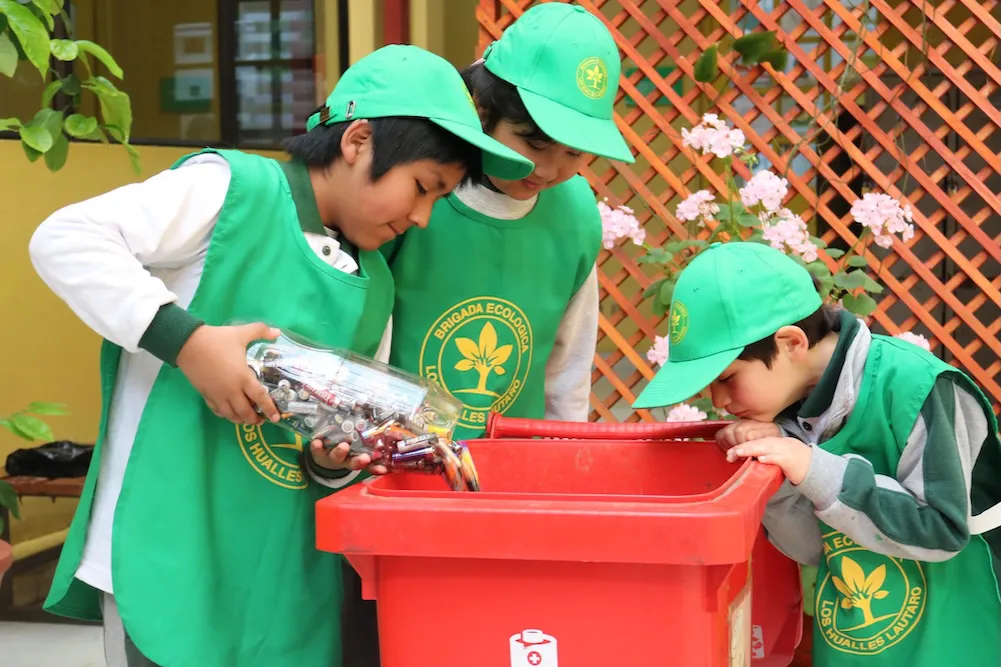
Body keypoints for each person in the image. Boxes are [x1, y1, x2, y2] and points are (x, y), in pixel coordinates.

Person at [28, 44, 533, 667]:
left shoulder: (374, 282)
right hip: (170, 547)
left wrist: (333, 461)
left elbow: (330, 451)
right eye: (422, 188)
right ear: (357, 141)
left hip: (279, 574)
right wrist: (185, 341)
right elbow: (66, 239)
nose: (424, 217)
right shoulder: (231, 191)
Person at [633, 241, 1001, 666]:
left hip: (957, 630)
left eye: (728, 378)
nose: (719, 400)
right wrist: (778, 477)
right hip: (858, 641)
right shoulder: (788, 408)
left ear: (791, 343)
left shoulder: (917, 386)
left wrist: (813, 466)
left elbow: (942, 529)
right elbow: (816, 549)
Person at [384, 3, 635, 440]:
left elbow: (567, 368)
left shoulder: (574, 214)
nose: (550, 170)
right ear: (482, 111)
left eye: (574, 153)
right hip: (401, 459)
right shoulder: (419, 193)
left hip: (513, 473)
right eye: (534, 143)